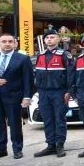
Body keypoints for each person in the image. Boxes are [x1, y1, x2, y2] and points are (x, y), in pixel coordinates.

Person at [33, 29, 74, 158]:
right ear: (44, 41)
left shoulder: (64, 55)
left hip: (59, 92)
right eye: (47, 38)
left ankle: (60, 145)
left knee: (59, 119)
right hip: (44, 93)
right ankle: (50, 145)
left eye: (52, 37)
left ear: (58, 39)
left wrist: (69, 91)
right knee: (48, 120)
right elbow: (36, 75)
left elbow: (71, 75)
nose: (49, 39)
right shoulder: (41, 55)